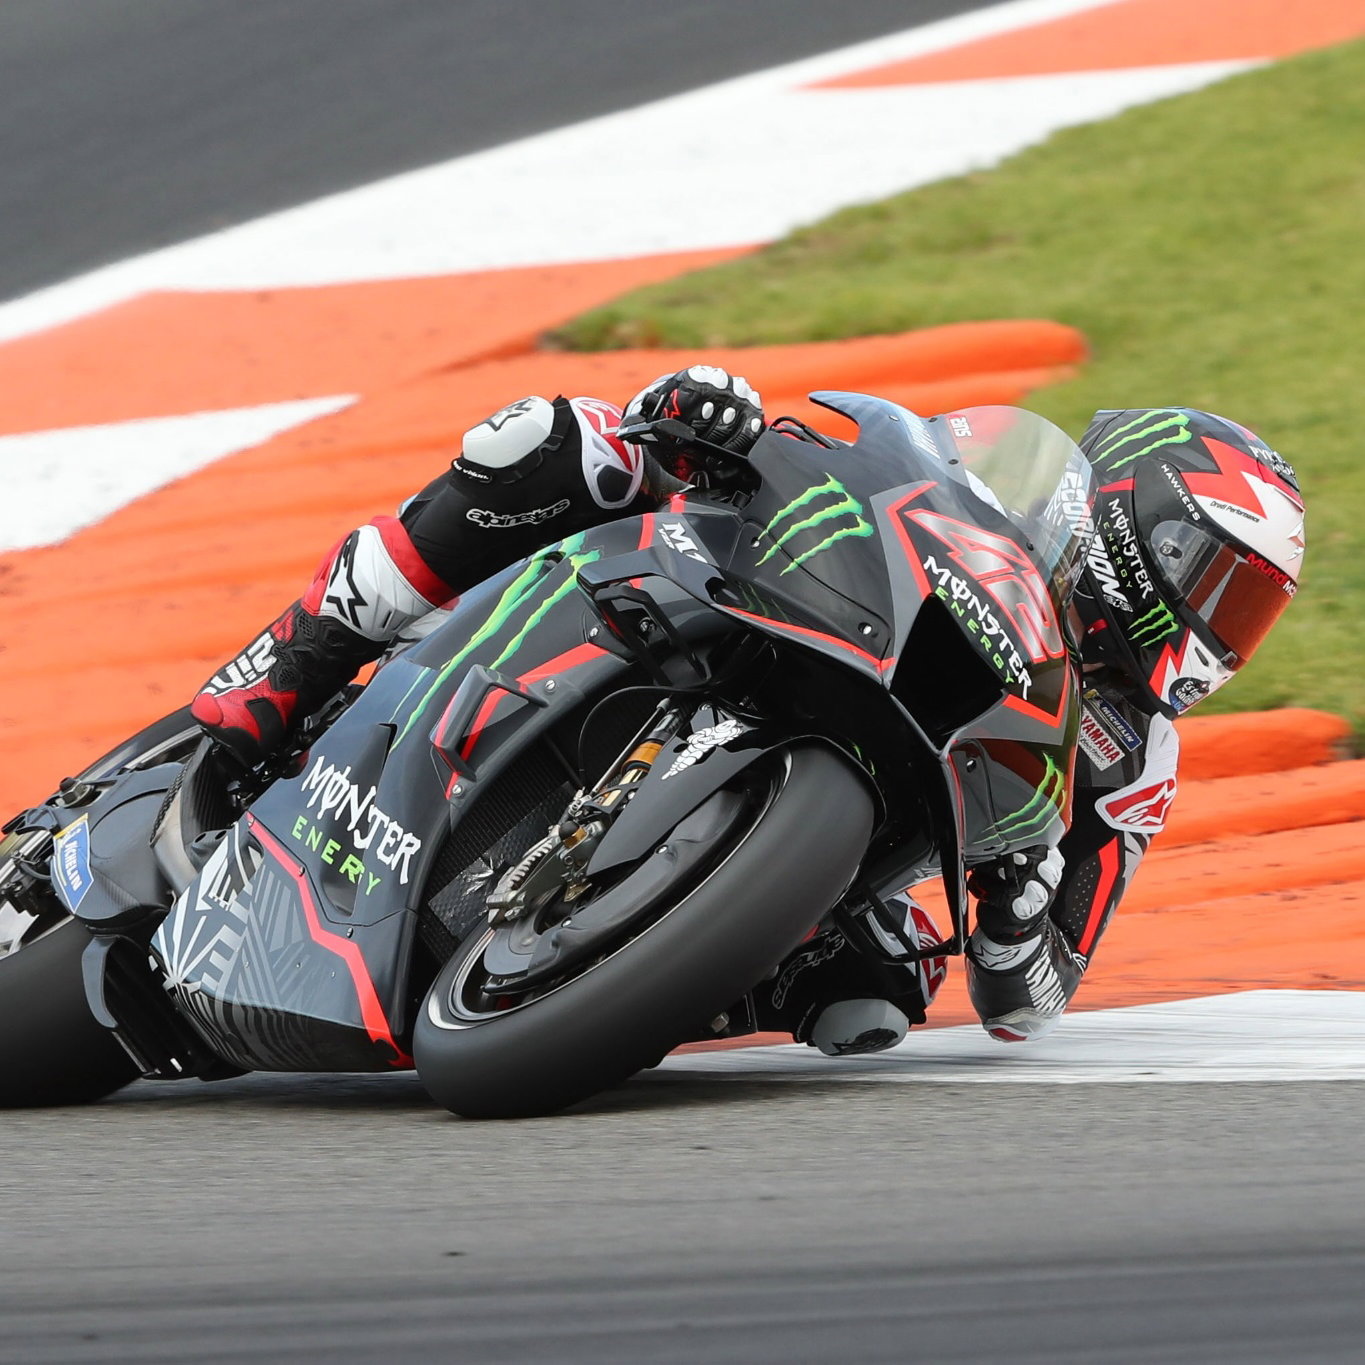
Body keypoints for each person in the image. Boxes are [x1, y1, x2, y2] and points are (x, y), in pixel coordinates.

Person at [191, 370, 1306, 1054]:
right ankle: (290, 666)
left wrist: (1019, 908)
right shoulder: (1000, 484)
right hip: (765, 609)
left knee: (879, 989)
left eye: (1245, 613)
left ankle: (597, 980)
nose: (1217, 629)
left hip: (854, 840)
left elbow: (1036, 997)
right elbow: (866, 454)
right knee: (558, 444)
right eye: (1210, 580)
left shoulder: (1136, 759)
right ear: (1132, 518)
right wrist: (711, 420)